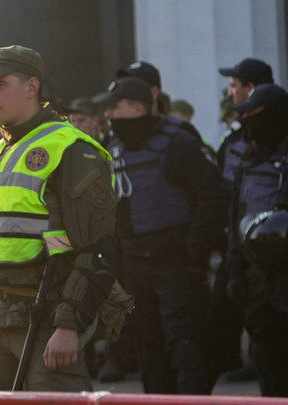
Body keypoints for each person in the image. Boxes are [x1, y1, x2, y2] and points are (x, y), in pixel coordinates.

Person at [0, 45, 121, 392]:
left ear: (31, 87)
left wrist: (69, 325)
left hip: (45, 320)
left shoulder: (71, 148)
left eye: (0, 85)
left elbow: (98, 248)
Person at [97, 77, 229, 394]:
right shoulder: (111, 149)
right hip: (133, 264)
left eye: (117, 107)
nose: (109, 115)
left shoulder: (177, 143)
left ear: (139, 107)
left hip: (175, 263)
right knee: (150, 350)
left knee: (185, 347)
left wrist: (192, 251)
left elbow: (213, 197)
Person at [215, 58, 274, 383]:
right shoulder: (237, 134)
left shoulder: (267, 136)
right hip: (238, 241)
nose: (229, 91)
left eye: (234, 85)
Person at [226, 83, 288, 397]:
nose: (247, 119)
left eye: (254, 113)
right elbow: (235, 213)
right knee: (269, 364)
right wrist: (234, 269)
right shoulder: (248, 156)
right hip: (255, 278)